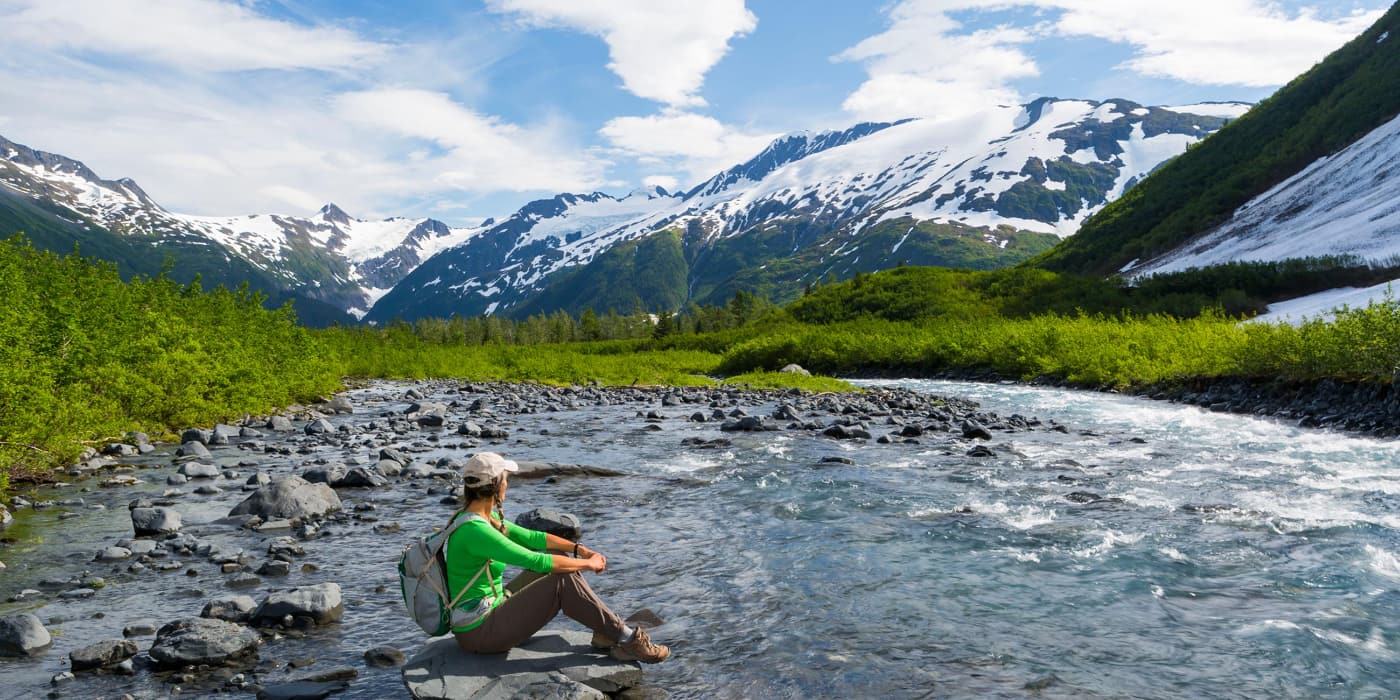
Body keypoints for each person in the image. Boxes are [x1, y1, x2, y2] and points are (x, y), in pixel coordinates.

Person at [444, 451, 670, 663]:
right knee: (561, 579)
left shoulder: (478, 518)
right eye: (505, 479)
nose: (507, 485)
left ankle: (606, 631)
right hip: (480, 632)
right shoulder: (476, 531)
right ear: (495, 485)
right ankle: (628, 639)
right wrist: (588, 564)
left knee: (558, 556)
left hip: (489, 610)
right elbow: (536, 561)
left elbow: (533, 538)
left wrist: (580, 550)